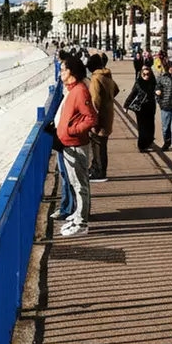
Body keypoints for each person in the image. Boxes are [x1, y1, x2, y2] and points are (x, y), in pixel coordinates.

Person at [56, 56, 98, 237]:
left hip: (76, 144)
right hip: (67, 143)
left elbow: (91, 118)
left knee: (80, 184)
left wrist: (72, 130)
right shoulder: (72, 90)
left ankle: (82, 222)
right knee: (74, 182)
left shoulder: (80, 91)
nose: (60, 73)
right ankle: (77, 214)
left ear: (71, 73)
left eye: (63, 70)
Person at [86, 53, 119, 182]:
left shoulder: (95, 79)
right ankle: (96, 168)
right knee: (102, 145)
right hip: (108, 114)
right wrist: (108, 100)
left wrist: (93, 119)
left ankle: (99, 172)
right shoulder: (107, 75)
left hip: (100, 118)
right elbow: (116, 90)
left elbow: (95, 101)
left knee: (98, 145)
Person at [128, 63, 157, 152]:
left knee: (150, 126)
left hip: (151, 107)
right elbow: (132, 94)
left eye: (148, 74)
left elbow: (159, 92)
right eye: (144, 74)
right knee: (142, 127)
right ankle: (141, 146)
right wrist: (126, 105)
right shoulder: (138, 83)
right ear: (141, 74)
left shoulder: (153, 83)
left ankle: (149, 142)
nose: (146, 76)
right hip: (140, 108)